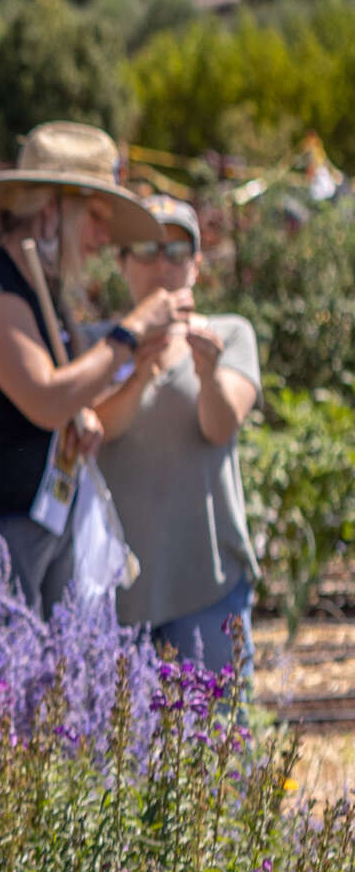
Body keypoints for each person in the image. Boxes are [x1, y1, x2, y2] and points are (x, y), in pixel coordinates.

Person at [0, 121, 189, 611]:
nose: (104, 238)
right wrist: (129, 333)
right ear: (52, 208)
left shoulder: (36, 284)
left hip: (32, 523)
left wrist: (79, 415)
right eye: (97, 217)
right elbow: (44, 397)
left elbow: (56, 398)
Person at [85, 195, 262, 679]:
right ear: (121, 263)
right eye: (145, 248)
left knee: (218, 746)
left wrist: (208, 373)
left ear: (197, 266)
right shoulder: (92, 347)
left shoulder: (230, 335)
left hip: (207, 588)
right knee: (116, 751)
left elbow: (220, 427)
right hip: (111, 597)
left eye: (178, 250)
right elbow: (96, 430)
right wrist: (137, 372)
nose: (162, 264)